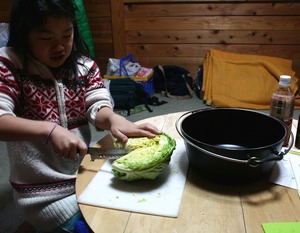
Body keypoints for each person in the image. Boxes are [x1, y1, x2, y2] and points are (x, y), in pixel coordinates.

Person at [0, 0, 161, 232]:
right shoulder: (9, 64)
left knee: (148, 168)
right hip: (42, 190)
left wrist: (113, 119)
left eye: (67, 35)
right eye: (46, 38)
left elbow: (97, 105)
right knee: (99, 224)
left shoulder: (84, 65)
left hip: (86, 162)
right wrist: (49, 130)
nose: (60, 47)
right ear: (24, 34)